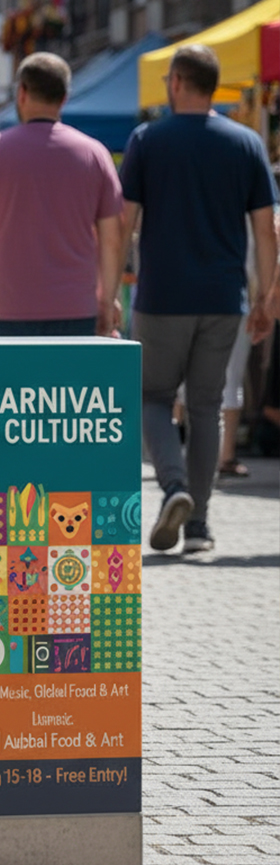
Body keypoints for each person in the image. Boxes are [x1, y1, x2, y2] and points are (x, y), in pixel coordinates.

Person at [119, 44, 278, 554]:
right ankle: (200, 527)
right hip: (222, 297)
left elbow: (125, 221)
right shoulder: (247, 143)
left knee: (152, 398)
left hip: (162, 294)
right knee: (206, 407)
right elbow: (266, 229)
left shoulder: (148, 139)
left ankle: (174, 487)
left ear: (178, 82)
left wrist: (107, 285)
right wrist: (266, 296)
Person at [0, 52, 124, 338]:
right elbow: (113, 238)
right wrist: (107, 300)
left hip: (6, 309)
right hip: (76, 309)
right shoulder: (95, 154)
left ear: (22, 92)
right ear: (64, 98)